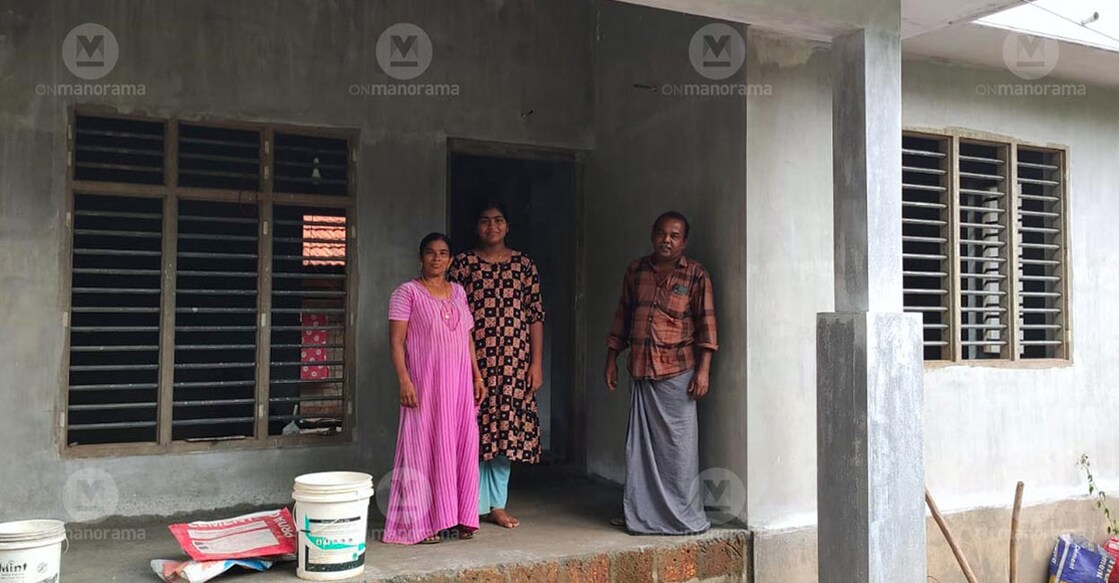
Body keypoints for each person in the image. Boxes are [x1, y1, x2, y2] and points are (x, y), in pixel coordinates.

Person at [604, 211, 718, 535]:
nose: (666, 240)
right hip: (641, 370)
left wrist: (704, 372)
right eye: (662, 233)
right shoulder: (636, 271)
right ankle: (641, 516)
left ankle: (680, 518)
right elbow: (622, 317)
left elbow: (707, 329)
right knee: (639, 451)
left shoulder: (696, 275)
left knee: (678, 451)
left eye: (674, 235)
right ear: (652, 234)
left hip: (678, 373)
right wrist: (611, 358)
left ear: (684, 241)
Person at [383, 233, 486, 545]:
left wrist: (477, 376)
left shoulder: (458, 293)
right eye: (430, 253)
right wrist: (404, 380)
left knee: (459, 446)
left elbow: (467, 338)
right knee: (422, 447)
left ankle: (459, 517)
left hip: (458, 387)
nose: (437, 259)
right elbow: (397, 342)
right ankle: (423, 523)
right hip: (425, 385)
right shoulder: (407, 293)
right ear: (421, 257)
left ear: (451, 259)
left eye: (443, 253)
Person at [449, 202, 545, 530]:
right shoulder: (462, 264)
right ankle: (470, 504)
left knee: (505, 433)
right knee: (474, 430)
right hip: (474, 359)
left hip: (514, 363)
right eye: (485, 220)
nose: (492, 226)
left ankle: (497, 505)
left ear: (508, 226)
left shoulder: (524, 265)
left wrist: (536, 363)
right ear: (476, 226)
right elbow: (454, 315)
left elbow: (535, 316)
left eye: (499, 220)